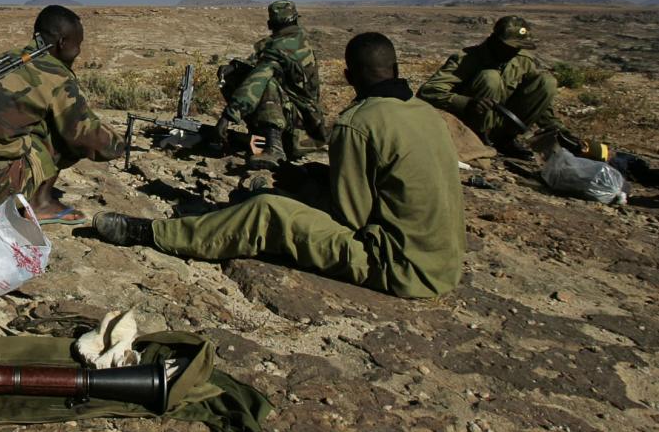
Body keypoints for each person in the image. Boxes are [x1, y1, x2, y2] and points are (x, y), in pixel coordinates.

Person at [95, 32, 465, 299]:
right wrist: (305, 177)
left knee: (266, 210)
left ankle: (152, 234)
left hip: (397, 266)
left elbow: (350, 217)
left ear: (349, 76)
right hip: (441, 262)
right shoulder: (426, 114)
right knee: (286, 191)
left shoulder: (360, 122)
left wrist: (289, 197)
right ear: (396, 68)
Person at [0, 5, 123, 225]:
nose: (78, 51)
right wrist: (120, 145)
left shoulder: (7, 59)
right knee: (62, 133)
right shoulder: (55, 76)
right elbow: (86, 135)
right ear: (62, 43)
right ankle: (41, 204)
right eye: (77, 44)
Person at [418, 15, 562, 158]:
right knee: (489, 77)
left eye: (518, 48)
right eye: (509, 47)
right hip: (470, 125)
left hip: (504, 123)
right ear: (494, 39)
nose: (513, 52)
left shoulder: (523, 61)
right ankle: (478, 138)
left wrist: (557, 129)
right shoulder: (467, 59)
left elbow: (535, 94)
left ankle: (506, 140)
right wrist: (467, 102)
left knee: (547, 82)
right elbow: (428, 91)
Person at [214, 0, 326, 169]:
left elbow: (258, 78)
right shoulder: (294, 40)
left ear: (270, 23)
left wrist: (228, 116)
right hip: (304, 119)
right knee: (236, 73)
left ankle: (274, 147)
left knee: (268, 84)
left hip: (303, 127)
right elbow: (256, 65)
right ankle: (263, 135)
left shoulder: (282, 47)